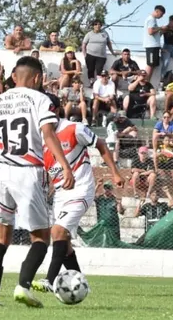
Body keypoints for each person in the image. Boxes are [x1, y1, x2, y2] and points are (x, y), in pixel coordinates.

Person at [0, 56, 74, 308]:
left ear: (15, 76)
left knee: (1, 236)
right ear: (37, 78)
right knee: (41, 237)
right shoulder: (40, 99)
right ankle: (23, 287)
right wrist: (65, 166)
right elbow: (48, 133)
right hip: (28, 170)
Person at [33, 93, 123, 293]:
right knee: (64, 245)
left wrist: (115, 172)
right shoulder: (41, 137)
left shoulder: (74, 129)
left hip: (81, 189)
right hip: (60, 195)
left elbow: (100, 144)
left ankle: (49, 280)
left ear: (55, 110)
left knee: (57, 232)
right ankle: (83, 286)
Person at [143, 5, 164, 78]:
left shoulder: (153, 20)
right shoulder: (151, 19)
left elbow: (155, 34)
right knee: (150, 65)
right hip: (151, 46)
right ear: (157, 11)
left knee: (153, 66)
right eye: (161, 14)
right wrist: (160, 28)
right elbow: (150, 31)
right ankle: (144, 83)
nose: (161, 16)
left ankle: (146, 83)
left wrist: (161, 30)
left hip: (154, 46)